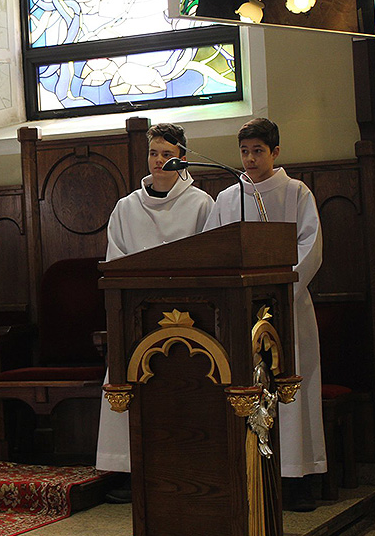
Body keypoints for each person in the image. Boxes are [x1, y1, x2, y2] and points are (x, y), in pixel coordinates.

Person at [204, 117, 325, 511]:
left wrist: (283, 290)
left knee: (291, 387)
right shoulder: (227, 199)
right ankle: (247, 475)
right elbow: (211, 246)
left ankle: (296, 477)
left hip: (288, 306)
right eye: (244, 152)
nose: (250, 159)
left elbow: (310, 245)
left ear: (275, 152)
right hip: (240, 311)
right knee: (246, 389)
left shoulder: (296, 192)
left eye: (258, 151)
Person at [96, 122, 214, 502]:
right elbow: (115, 260)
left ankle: (188, 468)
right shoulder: (126, 207)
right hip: (138, 313)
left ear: (182, 157)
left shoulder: (201, 204)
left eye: (167, 154)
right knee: (126, 378)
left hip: (189, 317)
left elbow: (209, 259)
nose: (159, 160)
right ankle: (127, 470)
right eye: (153, 153)